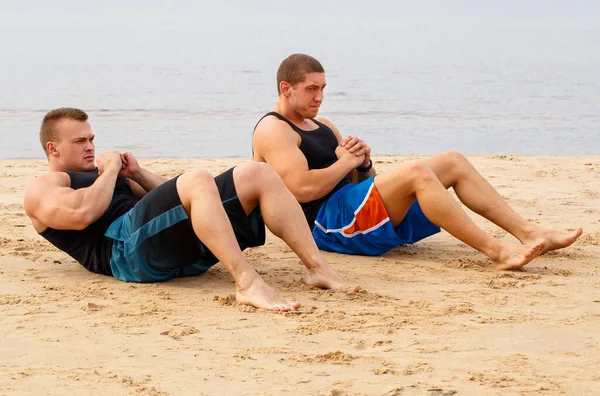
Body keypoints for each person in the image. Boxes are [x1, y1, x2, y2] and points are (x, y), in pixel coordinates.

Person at [252, 53, 583, 270]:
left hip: (349, 209)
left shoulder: (324, 125)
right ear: (286, 88)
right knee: (416, 172)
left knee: (452, 161)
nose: (320, 97)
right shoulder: (273, 130)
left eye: (323, 88)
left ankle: (528, 232)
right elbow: (301, 190)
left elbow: (362, 185)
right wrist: (343, 162)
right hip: (323, 226)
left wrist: (363, 164)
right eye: (311, 89)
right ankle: (497, 251)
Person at [24, 108, 359, 312]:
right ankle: (247, 283)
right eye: (80, 141)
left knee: (258, 173)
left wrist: (136, 173)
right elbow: (82, 213)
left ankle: (319, 268)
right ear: (52, 148)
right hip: (124, 254)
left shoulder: (105, 176)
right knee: (198, 178)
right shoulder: (45, 186)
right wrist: (109, 171)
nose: (91, 146)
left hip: (166, 248)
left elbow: (183, 196)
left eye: (91, 138)